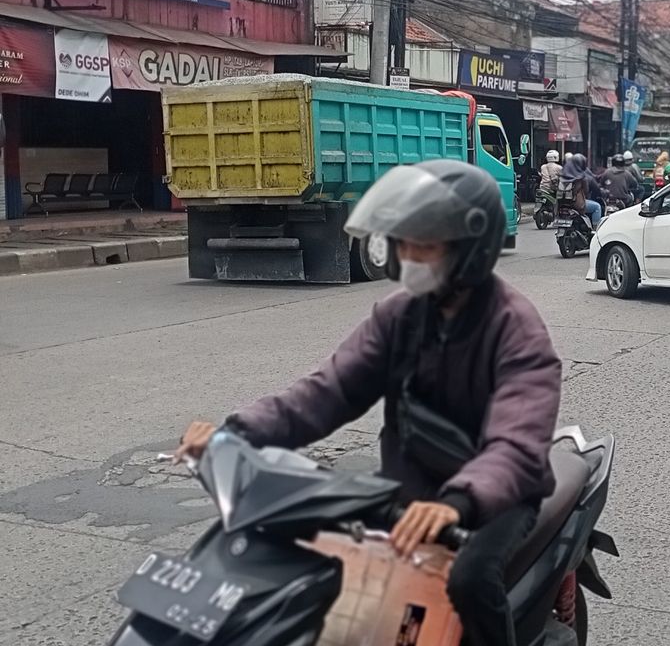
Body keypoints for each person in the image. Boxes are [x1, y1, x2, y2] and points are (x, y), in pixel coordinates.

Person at [172, 160, 561, 646]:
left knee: (471, 579)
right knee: (305, 547)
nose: (410, 255)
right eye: (405, 241)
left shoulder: (516, 328)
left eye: (427, 244)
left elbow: (516, 440)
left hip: (494, 499)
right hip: (408, 485)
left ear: (470, 249)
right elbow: (329, 389)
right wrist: (234, 432)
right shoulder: (398, 315)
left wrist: (460, 501)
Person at [562, 153, 603, 227]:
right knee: (597, 207)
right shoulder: (582, 177)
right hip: (576, 204)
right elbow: (586, 192)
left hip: (562, 204)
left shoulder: (563, 173)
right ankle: (595, 230)